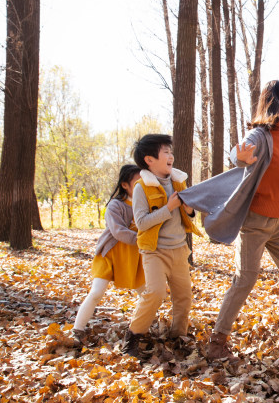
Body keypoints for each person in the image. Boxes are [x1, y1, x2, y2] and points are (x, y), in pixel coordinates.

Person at [179, 80, 279, 361]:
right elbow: (239, 153)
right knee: (244, 279)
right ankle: (217, 341)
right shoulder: (260, 135)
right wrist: (239, 157)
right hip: (255, 222)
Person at [123, 134, 201, 358]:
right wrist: (168, 207)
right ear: (149, 160)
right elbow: (141, 222)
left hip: (179, 250)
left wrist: (188, 209)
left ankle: (178, 337)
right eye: (165, 152)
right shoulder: (141, 188)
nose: (170, 156)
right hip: (154, 251)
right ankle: (133, 337)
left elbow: (189, 214)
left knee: (184, 297)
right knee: (155, 293)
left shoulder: (178, 181)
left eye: (170, 151)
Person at [72, 164, 144, 346]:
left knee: (147, 295)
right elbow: (118, 231)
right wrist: (144, 240)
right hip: (110, 254)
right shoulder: (116, 205)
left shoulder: (146, 205)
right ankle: (77, 330)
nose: (142, 185)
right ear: (125, 185)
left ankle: (138, 331)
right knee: (96, 292)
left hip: (133, 258)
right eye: (137, 182)